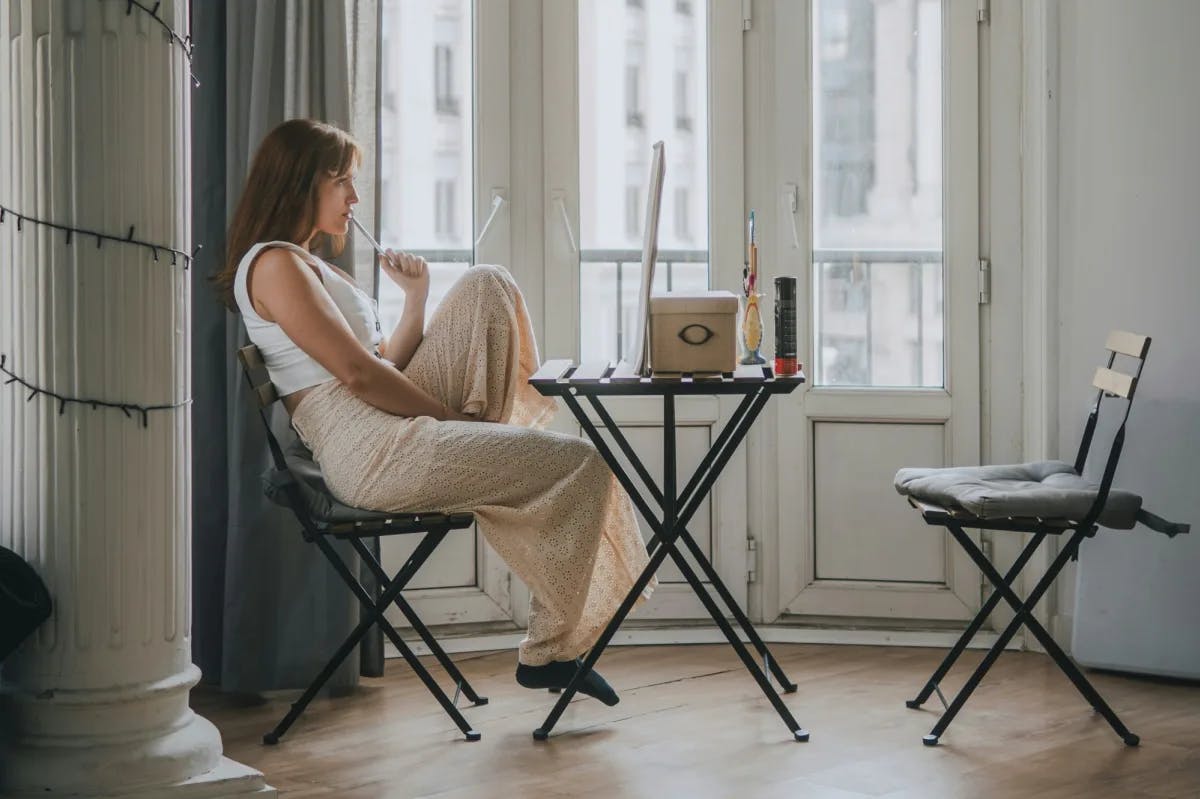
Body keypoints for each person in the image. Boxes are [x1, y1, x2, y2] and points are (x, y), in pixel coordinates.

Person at [212, 118, 654, 704]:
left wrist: (414, 299)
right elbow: (359, 376)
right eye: (341, 181)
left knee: (486, 285)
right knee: (583, 465)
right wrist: (450, 420)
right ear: (299, 183)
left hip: (381, 420)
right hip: (365, 449)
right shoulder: (274, 264)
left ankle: (493, 454)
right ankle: (551, 650)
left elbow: (380, 364)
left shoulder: (309, 263)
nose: (355, 197)